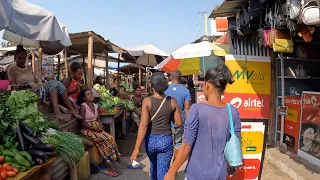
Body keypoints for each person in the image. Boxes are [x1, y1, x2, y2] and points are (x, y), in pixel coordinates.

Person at [164, 64, 241, 180]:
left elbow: (186, 146)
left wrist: (171, 171)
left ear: (207, 85)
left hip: (196, 174)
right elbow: (235, 143)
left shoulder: (196, 109)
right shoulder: (233, 112)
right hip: (219, 175)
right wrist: (231, 167)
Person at [130, 72, 183, 180]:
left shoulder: (147, 101)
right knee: (163, 173)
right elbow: (179, 123)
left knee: (153, 169)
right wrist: (169, 116)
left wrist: (136, 149)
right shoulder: (172, 101)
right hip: (166, 141)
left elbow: (143, 125)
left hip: (151, 141)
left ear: (152, 86)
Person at [7, 45, 81, 121]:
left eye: (24, 58)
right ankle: (57, 112)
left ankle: (71, 109)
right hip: (26, 90)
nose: (22, 60)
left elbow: (36, 78)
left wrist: (40, 85)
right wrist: (16, 90)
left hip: (36, 87)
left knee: (58, 83)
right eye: (19, 58)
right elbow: (12, 84)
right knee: (53, 83)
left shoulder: (28, 67)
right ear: (15, 58)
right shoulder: (12, 68)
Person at [78, 88, 122, 177]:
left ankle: (114, 160)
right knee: (106, 140)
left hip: (97, 128)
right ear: (84, 98)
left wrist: (101, 126)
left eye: (91, 94)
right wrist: (95, 129)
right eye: (88, 94)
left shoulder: (96, 106)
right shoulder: (83, 106)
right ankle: (111, 166)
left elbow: (98, 119)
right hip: (87, 130)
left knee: (110, 138)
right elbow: (83, 123)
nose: (91, 96)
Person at [165, 70, 191, 161]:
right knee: (178, 144)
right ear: (180, 79)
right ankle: (174, 166)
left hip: (166, 122)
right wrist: (188, 123)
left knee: (166, 144)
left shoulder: (164, 89)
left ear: (171, 78)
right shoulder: (186, 91)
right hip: (180, 122)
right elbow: (187, 108)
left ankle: (166, 165)